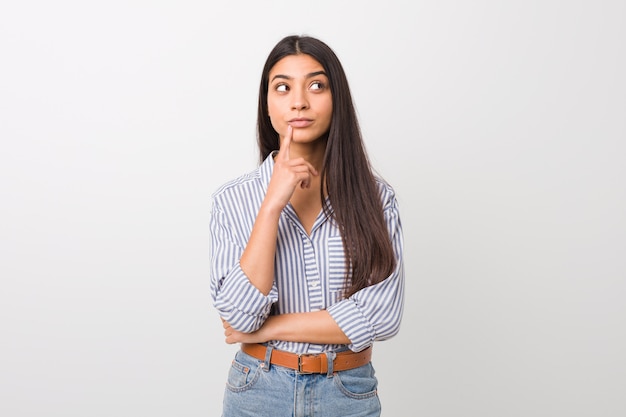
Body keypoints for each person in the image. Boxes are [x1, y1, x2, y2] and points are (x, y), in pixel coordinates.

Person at [209, 34, 405, 417]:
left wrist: (269, 329)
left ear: (338, 101)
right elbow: (238, 317)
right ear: (267, 105)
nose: (299, 101)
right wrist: (271, 206)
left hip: (348, 392)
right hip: (258, 391)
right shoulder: (232, 200)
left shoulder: (377, 199)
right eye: (282, 88)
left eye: (316, 85)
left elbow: (382, 316)